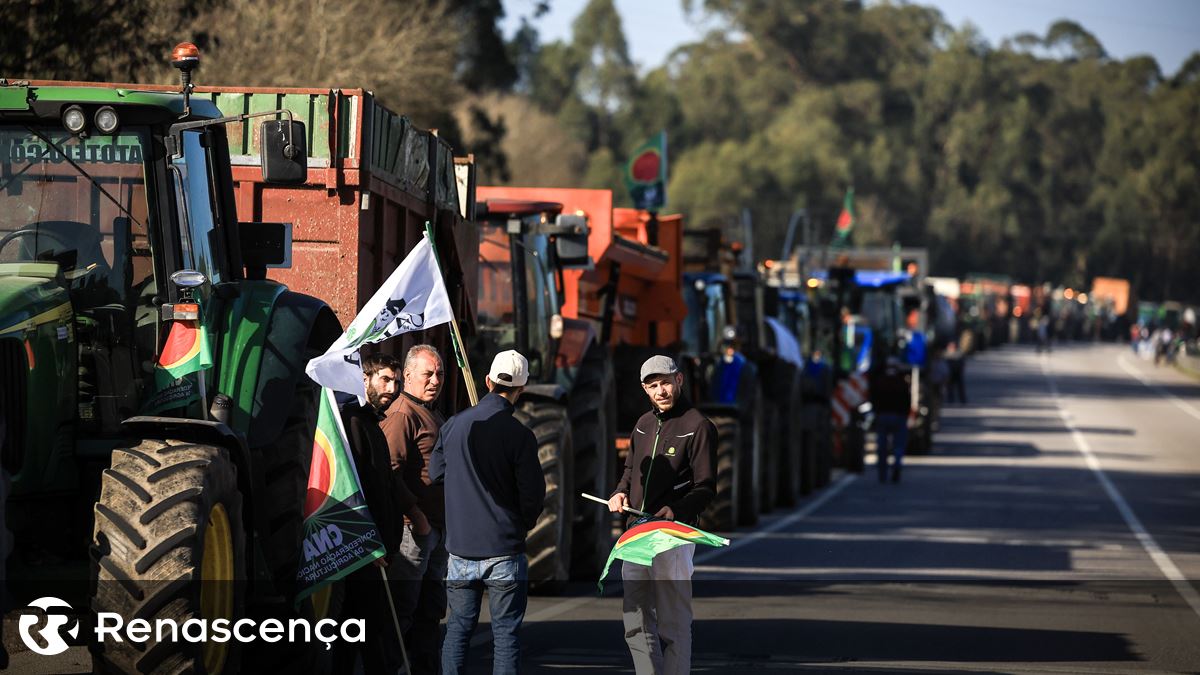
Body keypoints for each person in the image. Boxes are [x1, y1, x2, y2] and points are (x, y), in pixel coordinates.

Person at [431, 350, 545, 675]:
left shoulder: (454, 425)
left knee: (458, 629)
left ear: (488, 381)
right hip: (504, 550)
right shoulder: (521, 435)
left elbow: (436, 473)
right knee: (505, 635)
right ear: (521, 389)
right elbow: (533, 495)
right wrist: (523, 525)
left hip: (460, 548)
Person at [608, 355, 716, 675]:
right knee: (636, 622)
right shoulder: (642, 424)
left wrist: (677, 511)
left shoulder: (699, 426)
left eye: (666, 383)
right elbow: (629, 471)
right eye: (653, 386)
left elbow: (707, 487)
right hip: (637, 535)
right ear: (645, 389)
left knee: (673, 625)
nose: (661, 391)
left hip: (674, 537)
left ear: (679, 380)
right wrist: (619, 492)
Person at [332, 353, 403, 675]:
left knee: (366, 629)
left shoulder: (373, 422)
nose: (393, 387)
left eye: (397, 381)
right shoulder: (355, 424)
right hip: (363, 550)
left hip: (377, 549)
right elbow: (358, 489)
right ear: (365, 380)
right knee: (362, 629)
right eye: (385, 379)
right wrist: (368, 541)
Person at [379, 344, 448, 674]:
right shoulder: (403, 414)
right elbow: (388, 472)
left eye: (439, 373)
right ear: (407, 376)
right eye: (427, 374)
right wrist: (418, 518)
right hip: (413, 532)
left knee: (430, 610)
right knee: (402, 610)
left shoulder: (431, 411)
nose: (435, 380)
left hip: (434, 531)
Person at [869, 356, 912, 484]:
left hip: (883, 416)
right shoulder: (901, 382)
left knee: (882, 446)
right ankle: (897, 464)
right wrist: (906, 415)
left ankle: (883, 471)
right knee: (898, 445)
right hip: (899, 417)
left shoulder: (879, 381)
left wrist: (876, 413)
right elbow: (907, 401)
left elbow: (874, 399)